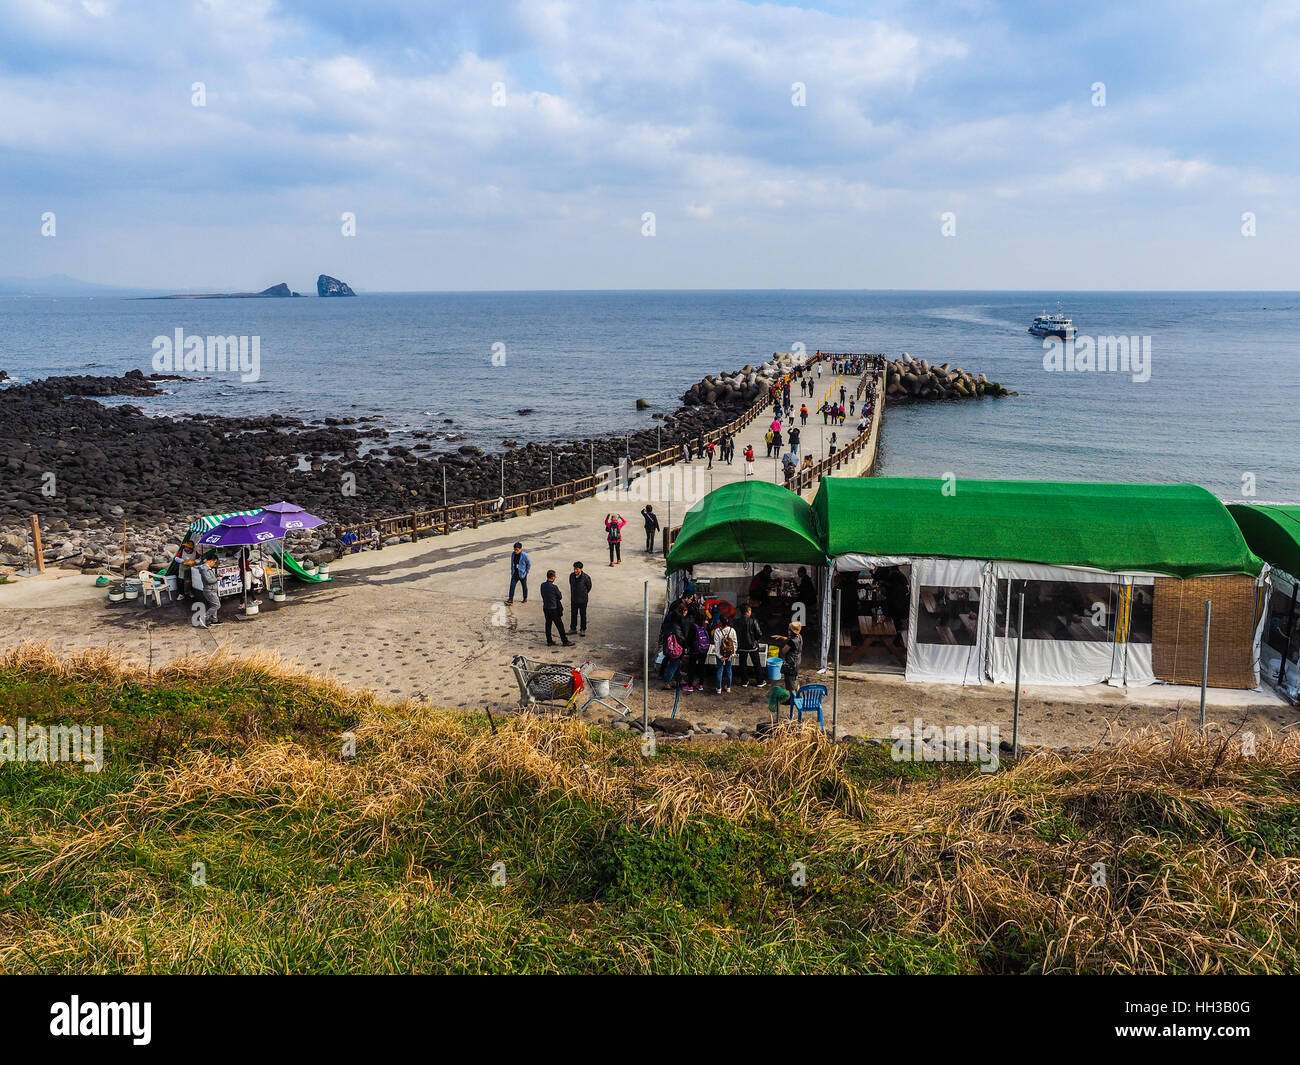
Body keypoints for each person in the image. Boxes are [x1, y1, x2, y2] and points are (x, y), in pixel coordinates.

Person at [660, 602, 689, 688]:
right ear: (683, 611)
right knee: (674, 665)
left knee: (675, 664)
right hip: (676, 648)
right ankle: (667, 682)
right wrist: (685, 645)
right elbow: (681, 637)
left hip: (669, 647)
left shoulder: (670, 620)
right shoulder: (678, 625)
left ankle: (680, 679)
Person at [737, 602, 765, 687]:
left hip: (741, 646)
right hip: (752, 646)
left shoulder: (737, 621)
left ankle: (744, 682)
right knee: (756, 663)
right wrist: (755, 640)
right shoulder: (753, 620)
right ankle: (760, 682)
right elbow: (759, 633)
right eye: (750, 610)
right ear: (748, 611)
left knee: (742, 664)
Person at [771, 622, 804, 697]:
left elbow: (784, 651)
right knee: (795, 679)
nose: (788, 631)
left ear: (792, 631)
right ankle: (798, 696)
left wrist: (781, 648)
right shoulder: (799, 637)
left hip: (791, 663)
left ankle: (792, 698)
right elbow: (789, 639)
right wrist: (781, 637)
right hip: (797, 662)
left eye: (789, 629)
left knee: (790, 683)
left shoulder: (792, 642)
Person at [540, 570, 570, 647]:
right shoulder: (554, 587)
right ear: (553, 577)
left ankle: (549, 641)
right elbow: (560, 597)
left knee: (548, 624)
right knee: (559, 625)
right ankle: (564, 641)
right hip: (553, 609)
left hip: (546, 607)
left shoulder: (542, 585)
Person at [194, 553, 221, 627]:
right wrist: (217, 579)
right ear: (211, 561)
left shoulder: (207, 568)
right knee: (217, 605)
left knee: (214, 605)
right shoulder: (204, 569)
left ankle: (214, 620)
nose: (214, 564)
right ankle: (203, 618)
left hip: (212, 589)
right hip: (209, 590)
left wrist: (217, 575)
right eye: (214, 562)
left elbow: (210, 577)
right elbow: (208, 580)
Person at [712, 616, 738, 693]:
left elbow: (716, 645)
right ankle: (728, 687)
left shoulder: (717, 631)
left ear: (720, 622)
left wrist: (720, 656)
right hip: (729, 654)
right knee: (729, 669)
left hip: (720, 654)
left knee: (720, 669)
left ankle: (719, 689)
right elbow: (735, 643)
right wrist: (732, 655)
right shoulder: (732, 630)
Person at [568, 561, 591, 636]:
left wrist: (583, 593)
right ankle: (573, 629)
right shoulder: (571, 576)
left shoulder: (586, 577)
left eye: (577, 569)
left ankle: (583, 629)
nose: (575, 571)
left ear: (581, 569)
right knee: (573, 614)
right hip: (574, 599)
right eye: (574, 569)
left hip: (583, 600)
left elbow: (589, 587)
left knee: (583, 615)